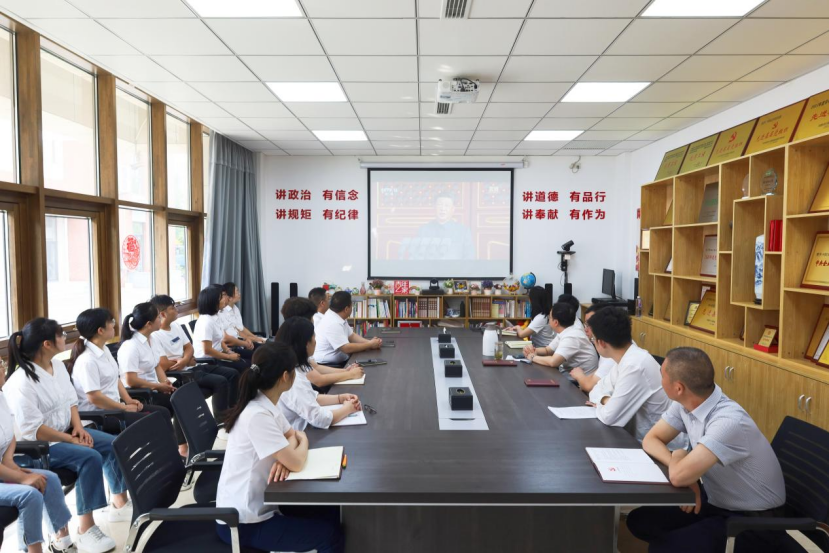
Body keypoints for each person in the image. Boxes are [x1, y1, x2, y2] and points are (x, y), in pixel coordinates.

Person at [627, 347, 795, 553]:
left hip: (754, 523)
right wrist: (685, 472)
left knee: (663, 548)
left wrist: (680, 455)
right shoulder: (687, 403)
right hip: (718, 500)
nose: (660, 380)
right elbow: (651, 440)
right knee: (640, 521)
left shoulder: (728, 422)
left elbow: (678, 477)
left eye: (662, 375)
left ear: (678, 388)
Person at [4, 318, 130, 553]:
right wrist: (70, 439)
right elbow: (33, 429)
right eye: (61, 335)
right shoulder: (21, 382)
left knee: (112, 443)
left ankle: (119, 501)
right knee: (89, 456)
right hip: (38, 446)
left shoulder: (58, 366)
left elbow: (71, 400)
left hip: (65, 433)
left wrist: (78, 428)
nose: (65, 338)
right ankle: (86, 527)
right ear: (47, 344)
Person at [215, 342, 344, 553]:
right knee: (329, 536)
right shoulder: (257, 415)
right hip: (243, 522)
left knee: (332, 511)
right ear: (285, 376)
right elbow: (297, 459)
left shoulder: (266, 402)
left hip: (263, 503)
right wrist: (299, 444)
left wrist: (286, 455)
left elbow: (291, 435)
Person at [585, 307, 687, 448]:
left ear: (601, 343)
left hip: (664, 446)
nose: (593, 342)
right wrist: (606, 400)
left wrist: (606, 401)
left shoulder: (635, 365)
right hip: (640, 439)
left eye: (593, 339)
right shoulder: (626, 358)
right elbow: (596, 389)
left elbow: (609, 417)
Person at [0, 366, 76, 553]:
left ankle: (62, 541)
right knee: (29, 494)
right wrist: (21, 477)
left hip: (3, 470)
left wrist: (9, 460)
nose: (2, 368)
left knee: (50, 478)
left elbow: (10, 435)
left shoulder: (1, 397)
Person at [68, 307, 169, 433]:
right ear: (100, 330)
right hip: (99, 417)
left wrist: (128, 400)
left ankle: (173, 446)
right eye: (111, 322)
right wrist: (124, 408)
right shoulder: (87, 360)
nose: (114, 325)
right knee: (152, 421)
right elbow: (95, 398)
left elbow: (115, 378)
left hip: (114, 409)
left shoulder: (104, 349)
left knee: (163, 412)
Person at [150, 294, 240, 416]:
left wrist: (185, 359)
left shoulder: (175, 326)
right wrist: (187, 360)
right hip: (182, 375)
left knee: (232, 373)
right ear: (163, 314)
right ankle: (223, 419)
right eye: (172, 308)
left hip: (192, 366)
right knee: (220, 381)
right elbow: (164, 364)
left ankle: (234, 412)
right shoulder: (155, 335)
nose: (176, 309)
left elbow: (189, 347)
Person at [118, 302, 188, 457]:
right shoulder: (131, 346)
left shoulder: (151, 339)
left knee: (182, 398)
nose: (160, 320)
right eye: (158, 318)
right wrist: (157, 386)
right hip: (139, 393)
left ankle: (182, 447)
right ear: (148, 324)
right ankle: (171, 452)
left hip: (154, 388)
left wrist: (164, 382)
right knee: (169, 407)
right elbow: (130, 380)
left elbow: (157, 365)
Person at [276, 317, 361, 430]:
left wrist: (340, 398)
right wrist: (347, 409)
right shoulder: (292, 379)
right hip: (300, 432)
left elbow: (311, 397)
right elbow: (320, 419)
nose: (315, 342)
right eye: (314, 337)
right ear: (306, 344)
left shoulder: (295, 366)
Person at [281, 298, 365, 391]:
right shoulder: (294, 347)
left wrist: (345, 371)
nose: (313, 320)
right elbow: (319, 380)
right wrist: (350, 374)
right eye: (311, 317)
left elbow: (315, 367)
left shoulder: (292, 337)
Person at [523, 302, 598, 374]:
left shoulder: (572, 336)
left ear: (556, 322)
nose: (548, 320)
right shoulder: (566, 331)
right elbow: (547, 350)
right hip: (572, 375)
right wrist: (532, 350)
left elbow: (553, 362)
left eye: (550, 318)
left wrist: (532, 357)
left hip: (581, 380)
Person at [314, 291, 382, 366]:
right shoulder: (332, 322)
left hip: (341, 361)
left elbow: (351, 335)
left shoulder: (338, 315)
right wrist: (370, 345)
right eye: (352, 306)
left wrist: (370, 342)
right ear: (346, 309)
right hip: (328, 365)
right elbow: (346, 348)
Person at [193, 285, 249, 372]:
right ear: (213, 301)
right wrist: (229, 356)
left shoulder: (216, 316)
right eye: (222, 297)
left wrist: (228, 351)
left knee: (246, 364)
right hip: (207, 362)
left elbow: (219, 340)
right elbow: (207, 350)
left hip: (218, 356)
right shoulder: (206, 321)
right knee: (240, 369)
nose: (226, 299)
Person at [407, 193, 475, 260]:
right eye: (440, 205)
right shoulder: (423, 230)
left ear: (453, 209)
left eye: (447, 205)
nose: (443, 209)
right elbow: (416, 256)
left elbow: (469, 258)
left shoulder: (463, 231)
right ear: (434, 207)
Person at [570, 304, 611, 392]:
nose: (586, 329)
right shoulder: (604, 343)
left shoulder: (611, 350)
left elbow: (589, 386)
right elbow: (600, 372)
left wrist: (579, 375)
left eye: (590, 325)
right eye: (586, 324)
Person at [221, 283, 266, 352]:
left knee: (265, 347)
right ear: (230, 298)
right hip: (234, 344)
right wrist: (250, 340)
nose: (239, 294)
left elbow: (240, 328)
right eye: (237, 292)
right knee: (262, 351)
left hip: (240, 340)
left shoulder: (235, 308)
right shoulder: (222, 312)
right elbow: (229, 336)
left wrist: (254, 337)